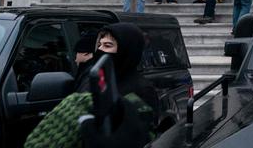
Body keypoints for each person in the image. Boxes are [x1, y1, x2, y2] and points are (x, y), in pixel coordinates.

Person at [23, 23, 158, 148]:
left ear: (126, 50)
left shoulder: (142, 89)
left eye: (108, 46)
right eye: (99, 45)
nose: (100, 50)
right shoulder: (92, 77)